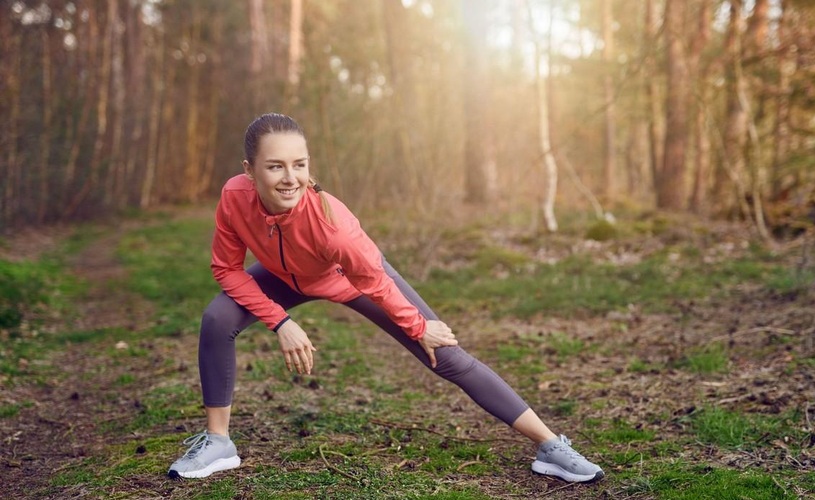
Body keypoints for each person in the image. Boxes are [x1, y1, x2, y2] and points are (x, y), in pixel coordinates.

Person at [167, 113, 604, 484]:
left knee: (445, 354)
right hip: (284, 278)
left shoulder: (331, 225)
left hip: (352, 277)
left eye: (299, 164)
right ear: (250, 170)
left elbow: (373, 280)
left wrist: (418, 326)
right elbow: (226, 269)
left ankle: (548, 445)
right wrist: (280, 321)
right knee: (217, 317)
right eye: (275, 166)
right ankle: (219, 443)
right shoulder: (234, 196)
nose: (291, 178)